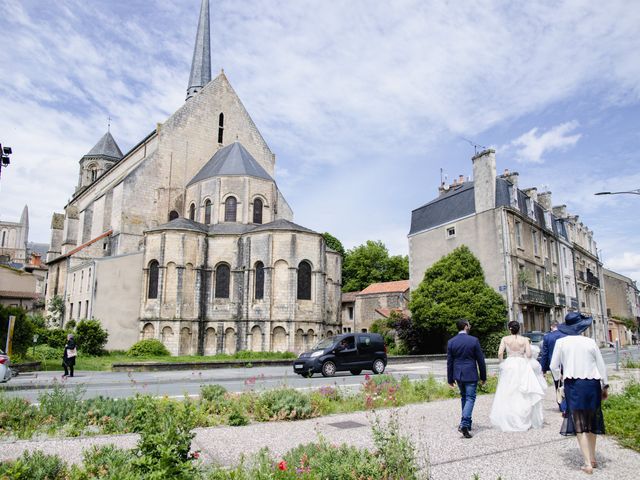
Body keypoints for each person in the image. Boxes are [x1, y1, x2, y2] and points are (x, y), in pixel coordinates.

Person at [550, 312, 608, 475]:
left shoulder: (561, 342)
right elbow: (601, 365)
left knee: (579, 422)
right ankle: (593, 456)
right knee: (592, 418)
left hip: (573, 384)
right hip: (592, 383)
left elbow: (554, 366)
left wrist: (558, 381)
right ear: (581, 327)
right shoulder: (590, 342)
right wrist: (605, 385)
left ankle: (587, 463)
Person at [489, 321, 546, 432]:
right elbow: (529, 354)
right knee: (522, 391)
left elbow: (500, 353)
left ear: (509, 329)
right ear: (519, 329)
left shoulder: (505, 339)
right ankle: (523, 417)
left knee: (508, 390)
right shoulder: (524, 340)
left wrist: (502, 363)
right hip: (521, 363)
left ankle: (510, 417)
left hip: (509, 364)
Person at [447, 318, 486, 438]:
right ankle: (464, 423)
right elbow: (480, 360)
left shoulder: (451, 342)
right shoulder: (473, 340)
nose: (470, 326)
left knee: (464, 397)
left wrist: (450, 379)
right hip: (471, 373)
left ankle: (467, 423)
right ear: (465, 326)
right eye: (469, 324)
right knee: (470, 398)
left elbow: (450, 362)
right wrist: (483, 376)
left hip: (458, 374)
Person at [538, 320, 567, 411]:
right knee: (569, 383)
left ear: (551, 326)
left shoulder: (547, 337)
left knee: (558, 385)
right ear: (558, 326)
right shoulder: (565, 335)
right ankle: (570, 404)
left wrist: (543, 369)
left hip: (554, 364)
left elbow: (545, 354)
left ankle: (562, 406)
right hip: (566, 363)